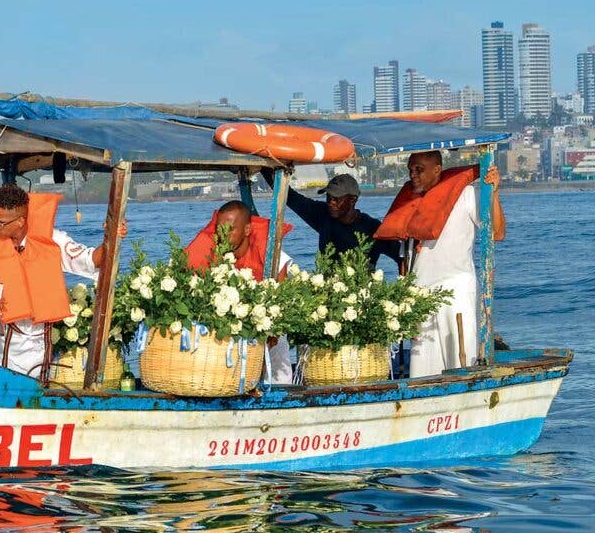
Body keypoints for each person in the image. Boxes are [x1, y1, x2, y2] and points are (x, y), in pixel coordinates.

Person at [0, 182, 127, 377]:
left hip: (28, 337)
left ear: (20, 221)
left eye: (2, 222)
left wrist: (111, 237)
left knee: (20, 386)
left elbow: (90, 259)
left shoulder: (52, 240)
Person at [375, 151, 505, 378]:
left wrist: (493, 193)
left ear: (437, 169)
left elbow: (496, 232)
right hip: (421, 295)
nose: (412, 175)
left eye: (419, 169)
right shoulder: (410, 200)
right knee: (422, 372)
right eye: (410, 169)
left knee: (461, 361)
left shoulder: (465, 194)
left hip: (455, 289)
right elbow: (406, 258)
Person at [184, 200, 294, 384]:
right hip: (231, 329)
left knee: (278, 353)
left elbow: (282, 292)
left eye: (231, 229)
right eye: (220, 229)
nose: (223, 235)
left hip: (268, 323)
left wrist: (273, 330)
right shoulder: (212, 249)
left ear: (247, 230)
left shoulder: (267, 250)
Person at [263, 170, 401, 270]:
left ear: (353, 199)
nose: (331, 203)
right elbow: (291, 197)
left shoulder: (373, 228)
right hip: (328, 294)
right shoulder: (323, 214)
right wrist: (267, 169)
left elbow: (402, 258)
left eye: (336, 199)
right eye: (328, 197)